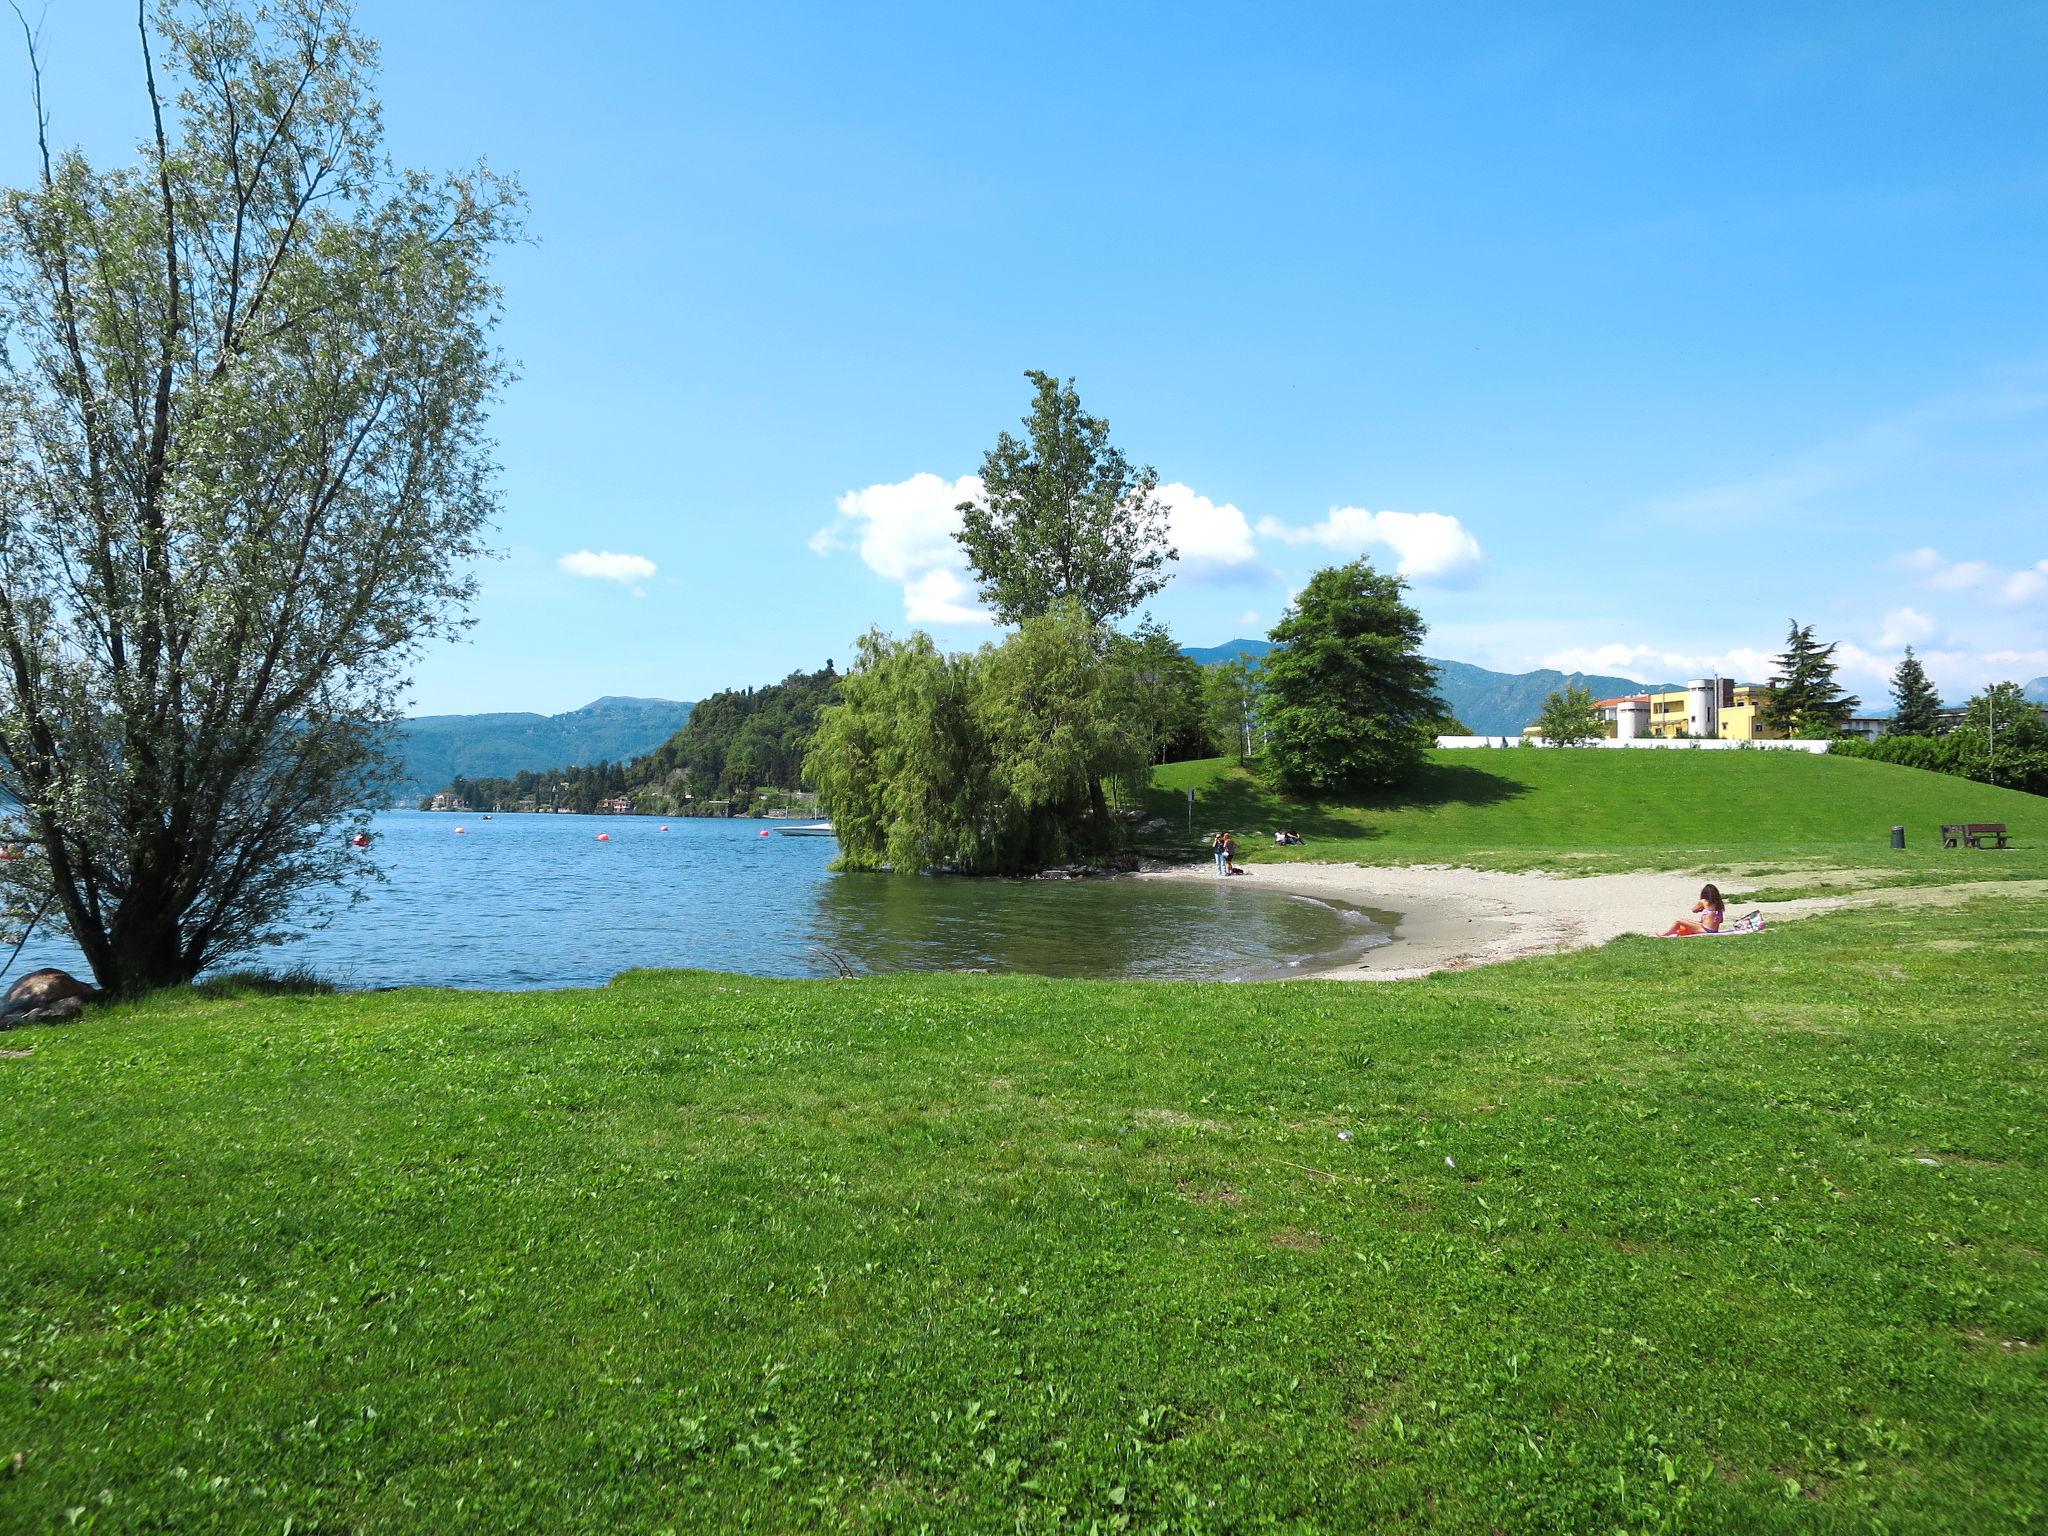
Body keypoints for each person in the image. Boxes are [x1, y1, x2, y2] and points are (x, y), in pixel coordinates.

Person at [1659, 883, 1726, 937]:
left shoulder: (1703, 901)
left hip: (1705, 930)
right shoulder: (1719, 905)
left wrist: (1701, 909)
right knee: (1695, 922)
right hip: (1714, 930)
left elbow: (1694, 910)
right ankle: (1670, 932)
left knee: (1679, 921)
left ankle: (1667, 933)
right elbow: (1721, 920)